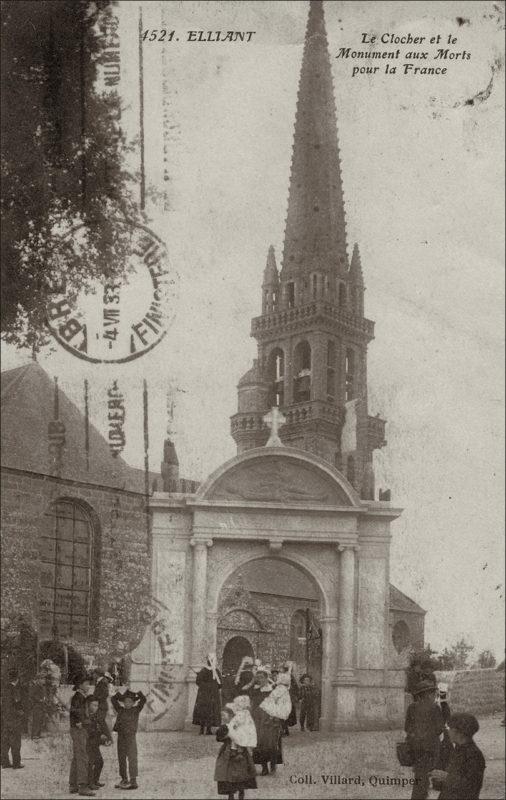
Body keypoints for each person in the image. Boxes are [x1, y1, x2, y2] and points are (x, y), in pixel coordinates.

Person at [430, 712, 485, 799]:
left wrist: (446, 777)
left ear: (458, 732)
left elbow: (472, 785)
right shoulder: (459, 749)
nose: (448, 731)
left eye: (449, 728)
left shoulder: (474, 754)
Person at [404, 679, 444, 800]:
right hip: (431, 747)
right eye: (432, 693)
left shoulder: (411, 707)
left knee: (420, 776)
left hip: (416, 747)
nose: (434, 696)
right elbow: (440, 728)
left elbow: (407, 728)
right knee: (428, 775)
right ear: (426, 694)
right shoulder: (435, 707)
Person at [214, 697, 257, 800]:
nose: (223, 718)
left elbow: (243, 737)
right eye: (222, 716)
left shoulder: (237, 725)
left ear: (231, 715)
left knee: (241, 775)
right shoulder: (226, 726)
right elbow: (219, 738)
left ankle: (241, 794)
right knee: (228, 776)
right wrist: (222, 734)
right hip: (228, 753)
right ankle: (231, 795)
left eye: (224, 715)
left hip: (240, 753)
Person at [111, 688, 146, 790]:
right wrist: (120, 694)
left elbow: (143, 700)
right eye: (125, 701)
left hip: (131, 738)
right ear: (123, 702)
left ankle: (133, 780)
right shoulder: (120, 709)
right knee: (121, 758)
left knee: (132, 758)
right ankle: (124, 779)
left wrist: (137, 691)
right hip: (121, 737)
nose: (127, 703)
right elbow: (113, 699)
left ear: (133, 703)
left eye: (130, 701)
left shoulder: (136, 710)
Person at [69, 674, 94, 796]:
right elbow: (74, 711)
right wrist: (79, 722)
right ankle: (83, 786)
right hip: (79, 729)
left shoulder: (80, 697)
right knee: (83, 757)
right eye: (86, 684)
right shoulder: (78, 697)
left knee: (77, 756)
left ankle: (73, 785)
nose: (88, 686)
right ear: (80, 685)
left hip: (79, 728)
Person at [84, 696, 112, 791]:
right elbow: (90, 732)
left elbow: (99, 729)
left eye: (97, 705)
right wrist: (100, 736)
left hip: (94, 743)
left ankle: (95, 781)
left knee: (99, 762)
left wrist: (103, 737)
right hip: (88, 744)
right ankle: (90, 783)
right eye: (94, 705)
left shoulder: (95, 716)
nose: (96, 707)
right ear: (88, 705)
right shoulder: (86, 716)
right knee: (90, 763)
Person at [1, 667, 25, 770]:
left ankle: (4, 762)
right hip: (14, 719)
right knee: (15, 741)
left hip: (5, 718)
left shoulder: (5, 688)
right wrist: (21, 712)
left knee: (5, 741)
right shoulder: (15, 690)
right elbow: (17, 703)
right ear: (17, 678)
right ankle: (16, 763)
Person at [193, 653, 222, 735]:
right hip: (210, 694)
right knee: (208, 710)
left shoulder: (205, 670)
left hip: (206, 694)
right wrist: (213, 687)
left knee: (206, 710)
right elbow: (220, 683)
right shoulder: (214, 671)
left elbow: (198, 681)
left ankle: (204, 729)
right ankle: (206, 729)